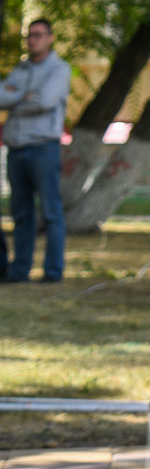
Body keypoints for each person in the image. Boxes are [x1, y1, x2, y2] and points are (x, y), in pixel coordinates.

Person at [0, 19, 72, 284]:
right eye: (30, 36)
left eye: (39, 35)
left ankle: (53, 271)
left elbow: (44, 101)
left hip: (44, 148)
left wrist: (15, 98)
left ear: (50, 38)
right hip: (17, 149)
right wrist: (25, 96)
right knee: (21, 214)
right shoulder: (21, 69)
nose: (33, 40)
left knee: (51, 213)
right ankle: (20, 270)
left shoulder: (60, 69)